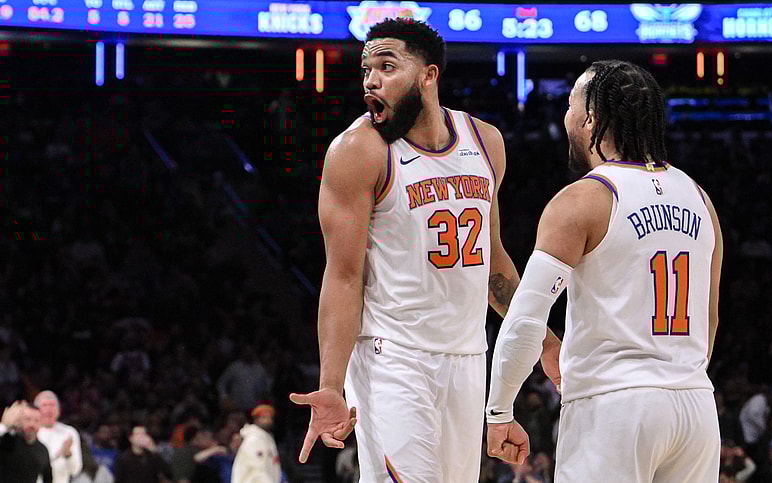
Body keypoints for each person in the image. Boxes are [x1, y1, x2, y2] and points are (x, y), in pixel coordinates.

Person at [289, 17, 561, 482]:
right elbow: (343, 277)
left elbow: (492, 261)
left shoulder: (485, 141)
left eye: (387, 66)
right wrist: (331, 385)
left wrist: (545, 339)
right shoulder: (357, 151)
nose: (371, 80)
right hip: (391, 357)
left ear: (429, 75)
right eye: (366, 70)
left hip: (468, 356)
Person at [485, 60, 724, 482]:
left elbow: (525, 321)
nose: (566, 117)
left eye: (570, 106)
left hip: (614, 407)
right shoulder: (701, 199)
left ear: (589, 117)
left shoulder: (584, 200)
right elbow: (710, 322)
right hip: (695, 408)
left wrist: (500, 411)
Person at [36, 390, 83, 483]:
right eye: (45, 405)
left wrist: (68, 455)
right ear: (36, 410)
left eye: (52, 405)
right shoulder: (30, 432)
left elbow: (75, 471)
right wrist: (57, 455)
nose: (49, 410)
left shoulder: (69, 433)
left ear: (58, 411)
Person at [0, 400, 53, 483]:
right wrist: (3, 426)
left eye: (36, 420)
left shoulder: (43, 450)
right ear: (19, 420)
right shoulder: (6, 441)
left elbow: (48, 478)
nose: (32, 424)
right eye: (27, 419)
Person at [231, 404, 281, 483]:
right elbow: (258, 470)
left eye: (270, 417)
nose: (268, 420)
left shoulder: (266, 438)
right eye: (264, 417)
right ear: (256, 419)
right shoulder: (254, 439)